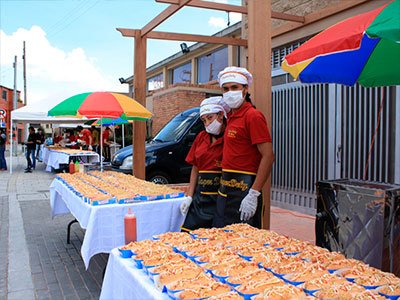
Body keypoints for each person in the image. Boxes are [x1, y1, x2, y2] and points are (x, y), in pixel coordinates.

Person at [213, 66, 275, 229]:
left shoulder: (252, 116)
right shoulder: (231, 116)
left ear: (245, 89)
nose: (229, 92)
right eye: (226, 89)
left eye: (235, 87)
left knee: (244, 243)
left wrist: (253, 194)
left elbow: (268, 156)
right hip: (226, 188)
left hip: (245, 190)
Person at [180, 96, 230, 231]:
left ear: (221, 115)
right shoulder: (201, 137)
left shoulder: (231, 137)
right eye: (204, 120)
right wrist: (189, 196)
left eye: (210, 118)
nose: (207, 123)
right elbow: (195, 167)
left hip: (221, 201)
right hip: (200, 199)